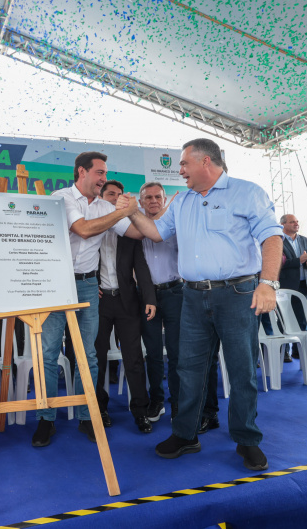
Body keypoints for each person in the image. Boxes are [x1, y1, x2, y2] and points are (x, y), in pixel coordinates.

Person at [119, 138, 283, 471]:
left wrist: (267, 284)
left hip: (237, 293)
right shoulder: (182, 202)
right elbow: (155, 233)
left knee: (241, 370)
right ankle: (186, 434)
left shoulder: (246, 191)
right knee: (188, 368)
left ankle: (247, 440)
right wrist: (132, 212)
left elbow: (272, 236)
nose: (180, 170)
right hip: (191, 296)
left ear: (205, 162)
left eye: (184, 164)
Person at [31, 151, 140, 448]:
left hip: (88, 285)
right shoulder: (61, 197)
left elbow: (137, 232)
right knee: (48, 353)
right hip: (55, 284)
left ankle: (86, 415)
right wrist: (121, 211)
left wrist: (138, 211)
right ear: (82, 172)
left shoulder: (105, 206)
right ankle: (46, 418)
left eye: (105, 173)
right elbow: (83, 228)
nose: (104, 179)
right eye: (99, 173)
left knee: (88, 355)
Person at [139, 181, 220, 434]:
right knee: (152, 353)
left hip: (175, 293)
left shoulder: (178, 225)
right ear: (140, 202)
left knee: (176, 354)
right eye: (148, 197)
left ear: (164, 200)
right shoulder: (135, 226)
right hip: (146, 297)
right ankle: (157, 402)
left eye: (158, 197)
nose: (153, 201)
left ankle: (177, 405)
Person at [93, 180, 156, 433]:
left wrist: (149, 297)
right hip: (97, 301)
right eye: (111, 194)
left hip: (127, 301)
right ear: (100, 198)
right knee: (96, 358)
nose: (117, 198)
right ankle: (99, 409)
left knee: (134, 358)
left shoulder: (130, 230)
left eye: (120, 194)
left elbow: (141, 265)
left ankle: (140, 412)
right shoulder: (89, 225)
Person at [278, 214, 307, 363]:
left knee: (302, 320)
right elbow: (277, 263)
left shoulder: (305, 240)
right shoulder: (278, 240)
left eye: (297, 221)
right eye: (292, 222)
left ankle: (298, 351)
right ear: (282, 224)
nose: (296, 223)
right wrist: (298, 261)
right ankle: (284, 352)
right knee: (283, 320)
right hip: (285, 286)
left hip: (304, 285)